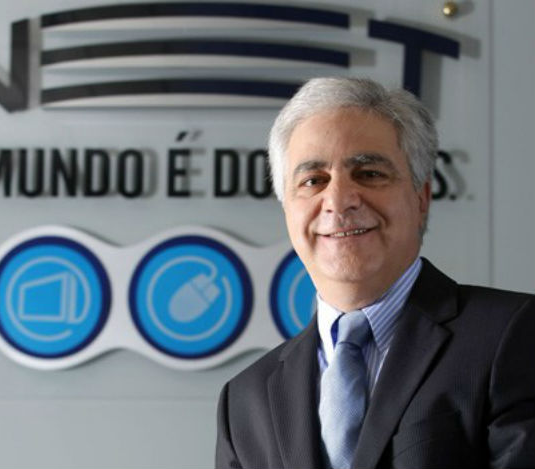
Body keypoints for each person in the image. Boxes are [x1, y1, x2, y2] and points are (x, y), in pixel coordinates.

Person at [215, 77, 535, 469]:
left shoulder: (513, 336)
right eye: (313, 181)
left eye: (368, 173)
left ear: (421, 197)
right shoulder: (245, 400)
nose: (338, 200)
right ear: (287, 210)